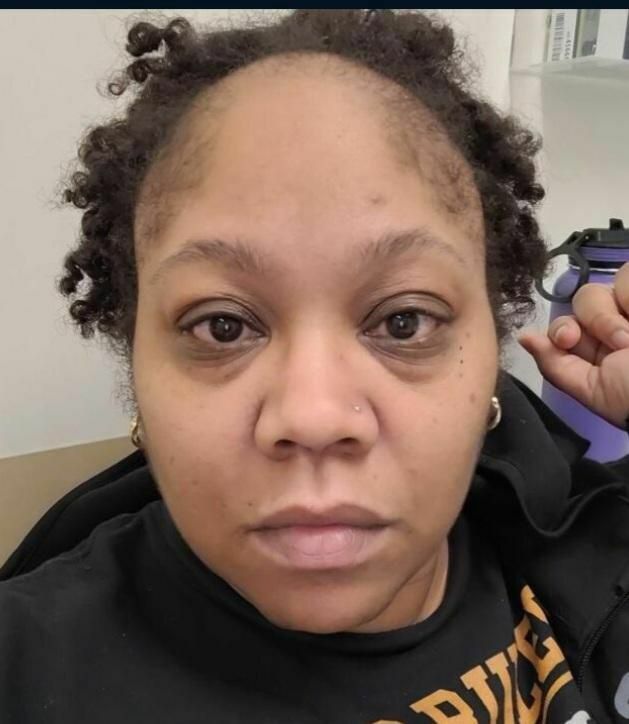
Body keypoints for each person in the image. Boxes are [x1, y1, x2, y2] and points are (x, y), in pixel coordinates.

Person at [1, 9, 628, 723]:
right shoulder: (26, 670)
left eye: (403, 321)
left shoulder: (590, 539)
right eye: (223, 325)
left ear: (491, 356)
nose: (314, 417)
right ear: (135, 366)